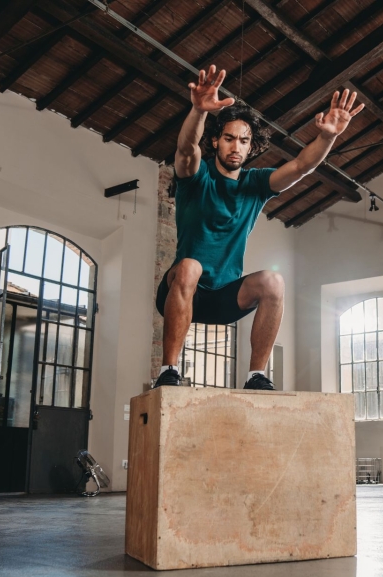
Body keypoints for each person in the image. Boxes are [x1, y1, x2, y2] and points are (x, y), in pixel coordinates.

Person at [154, 65, 364, 390]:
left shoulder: (255, 184)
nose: (235, 147)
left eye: (243, 141)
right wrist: (198, 110)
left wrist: (328, 136)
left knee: (273, 281)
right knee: (190, 267)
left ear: (251, 146)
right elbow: (185, 150)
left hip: (224, 297)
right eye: (228, 139)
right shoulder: (197, 177)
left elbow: (301, 166)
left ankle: (256, 376)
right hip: (180, 290)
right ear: (216, 141)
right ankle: (168, 371)